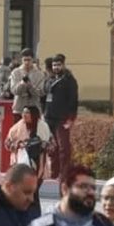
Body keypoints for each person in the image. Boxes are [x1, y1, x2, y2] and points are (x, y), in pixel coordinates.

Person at [44, 54, 79, 182]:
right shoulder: (50, 79)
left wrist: (71, 118)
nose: (56, 67)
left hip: (62, 119)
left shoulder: (69, 80)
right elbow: (44, 96)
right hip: (49, 118)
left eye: (58, 65)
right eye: (54, 65)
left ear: (63, 65)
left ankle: (64, 175)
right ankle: (54, 174)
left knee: (64, 148)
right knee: (52, 148)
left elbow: (73, 101)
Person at [5, 105, 52, 177]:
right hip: (21, 158)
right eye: (23, 112)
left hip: (39, 159)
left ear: (34, 114)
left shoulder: (43, 126)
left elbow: (52, 144)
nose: (24, 115)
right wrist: (18, 145)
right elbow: (7, 143)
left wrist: (42, 145)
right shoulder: (17, 127)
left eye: (27, 113)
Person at [9, 50, 46, 116]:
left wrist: (31, 86)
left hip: (34, 108)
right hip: (19, 109)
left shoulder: (40, 74)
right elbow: (13, 91)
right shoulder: (15, 72)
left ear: (33, 60)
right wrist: (21, 84)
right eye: (24, 60)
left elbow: (41, 92)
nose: (26, 62)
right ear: (21, 60)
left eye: (29, 60)